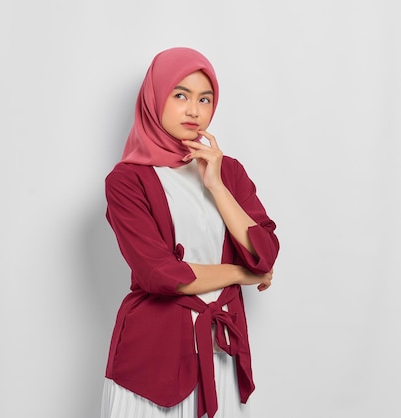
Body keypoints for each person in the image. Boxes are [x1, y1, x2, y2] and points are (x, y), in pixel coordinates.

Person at [100, 47, 280, 418]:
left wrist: (215, 185)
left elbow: (264, 251)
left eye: (205, 98)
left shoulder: (227, 172)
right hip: (153, 359)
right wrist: (242, 274)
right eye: (180, 95)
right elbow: (161, 274)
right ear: (155, 98)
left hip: (220, 351)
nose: (194, 111)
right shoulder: (127, 181)